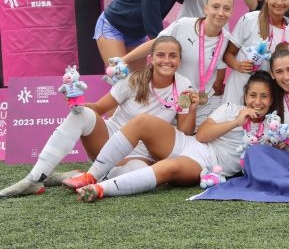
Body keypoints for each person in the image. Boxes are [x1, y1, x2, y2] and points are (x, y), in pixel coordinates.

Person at [0, 37, 196, 198]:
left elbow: (183, 134)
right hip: (107, 141)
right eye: (160, 55)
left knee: (137, 175)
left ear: (179, 60)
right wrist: (76, 104)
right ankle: (34, 179)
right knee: (83, 114)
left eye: (173, 56)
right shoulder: (134, 80)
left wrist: (192, 108)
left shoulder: (184, 85)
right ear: (151, 58)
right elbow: (98, 108)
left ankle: (79, 176)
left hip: (140, 155)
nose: (166, 60)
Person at [68, 71, 281, 202]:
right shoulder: (230, 109)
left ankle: (99, 189)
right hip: (191, 143)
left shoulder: (274, 127)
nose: (257, 102)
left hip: (206, 164)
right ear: (245, 96)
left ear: (271, 101)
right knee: (143, 121)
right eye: (253, 95)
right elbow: (203, 135)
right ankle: (92, 175)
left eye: (264, 97)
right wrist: (236, 122)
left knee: (167, 168)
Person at [122, 0, 233, 129]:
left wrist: (205, 99)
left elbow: (218, 81)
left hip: (200, 105)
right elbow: (156, 44)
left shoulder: (227, 40)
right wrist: (124, 59)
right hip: (170, 99)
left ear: (231, 12)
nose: (221, 13)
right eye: (215, 7)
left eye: (226, 9)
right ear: (206, 8)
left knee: (191, 143)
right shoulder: (184, 25)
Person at [223, 0, 289, 104]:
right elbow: (228, 54)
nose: (279, 2)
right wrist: (238, 65)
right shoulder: (249, 20)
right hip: (239, 90)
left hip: (266, 96)